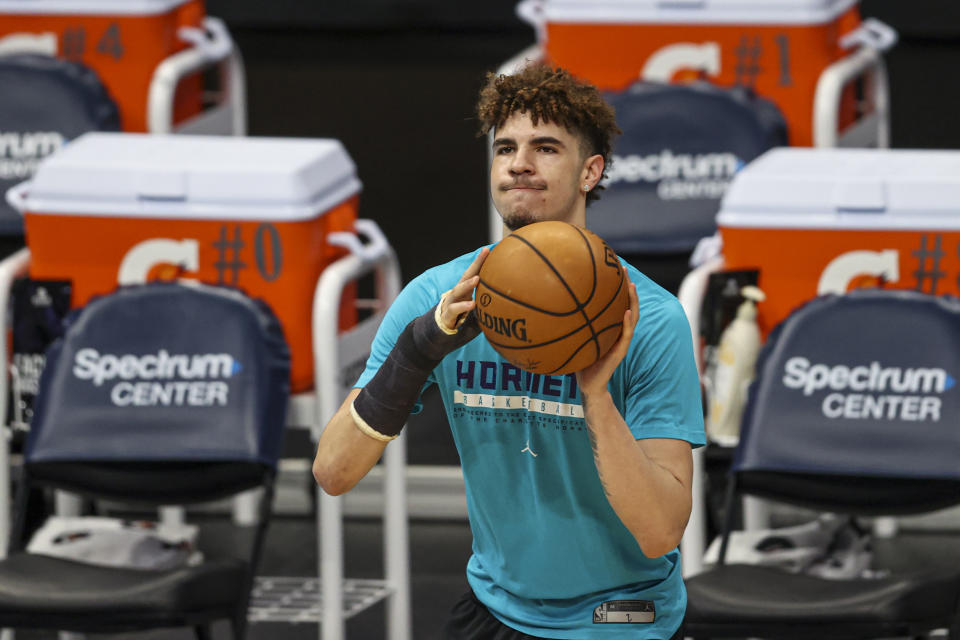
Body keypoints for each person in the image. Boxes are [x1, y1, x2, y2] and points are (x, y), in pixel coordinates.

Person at [313, 64, 705, 640]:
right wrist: (419, 349)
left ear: (590, 171)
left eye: (546, 148)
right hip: (494, 608)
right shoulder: (437, 297)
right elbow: (332, 472)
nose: (520, 162)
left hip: (619, 617)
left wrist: (596, 398)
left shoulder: (645, 318)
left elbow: (660, 532)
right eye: (506, 149)